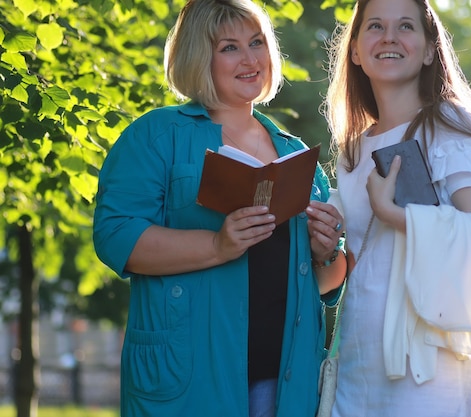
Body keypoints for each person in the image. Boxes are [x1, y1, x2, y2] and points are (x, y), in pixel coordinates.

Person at [92, 1, 346, 416]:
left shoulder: (295, 153)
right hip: (189, 379)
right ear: (198, 55)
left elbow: (327, 284)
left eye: (257, 43)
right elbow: (115, 236)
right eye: (229, 47)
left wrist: (327, 250)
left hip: (283, 383)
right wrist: (218, 244)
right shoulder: (155, 136)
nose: (249, 59)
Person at [323, 0, 471, 415]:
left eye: (406, 27)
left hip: (428, 371)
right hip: (359, 366)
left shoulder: (451, 128)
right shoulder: (356, 148)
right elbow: (345, 271)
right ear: (357, 51)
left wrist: (396, 215)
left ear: (431, 48)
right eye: (375, 26)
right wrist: (321, 242)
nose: (390, 37)